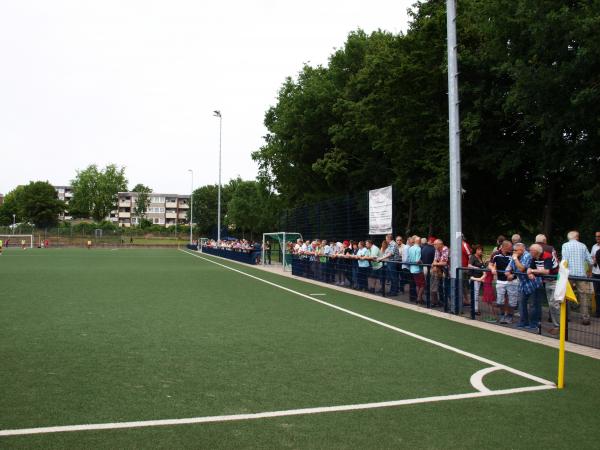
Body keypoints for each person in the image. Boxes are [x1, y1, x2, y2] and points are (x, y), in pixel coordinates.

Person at [561, 231, 593, 325]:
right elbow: (590, 261)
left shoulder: (565, 245)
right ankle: (585, 318)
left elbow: (564, 260)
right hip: (582, 275)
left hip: (569, 274)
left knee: (566, 295)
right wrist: (589, 271)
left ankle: (566, 316)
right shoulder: (583, 246)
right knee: (584, 296)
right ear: (577, 237)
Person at [510, 243, 540, 330]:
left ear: (521, 250)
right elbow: (511, 268)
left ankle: (534, 324)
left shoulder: (527, 256)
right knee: (521, 303)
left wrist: (515, 259)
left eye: (515, 250)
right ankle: (523, 322)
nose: (514, 252)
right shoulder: (515, 257)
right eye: (513, 250)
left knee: (533, 304)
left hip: (533, 283)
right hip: (523, 283)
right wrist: (509, 272)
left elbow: (522, 268)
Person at [526, 244, 556, 332]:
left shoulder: (547, 256)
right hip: (547, 281)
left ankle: (559, 327)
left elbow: (546, 271)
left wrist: (532, 271)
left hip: (555, 281)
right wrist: (530, 272)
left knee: (555, 304)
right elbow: (529, 268)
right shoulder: (534, 257)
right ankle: (557, 326)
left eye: (531, 251)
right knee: (551, 304)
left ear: (536, 252)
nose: (529, 252)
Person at [490, 240, 518, 324]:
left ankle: (509, 315)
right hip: (500, 280)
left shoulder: (513, 254)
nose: (511, 249)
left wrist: (513, 275)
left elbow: (518, 266)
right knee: (500, 301)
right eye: (510, 247)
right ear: (504, 247)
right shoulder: (496, 254)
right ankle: (502, 314)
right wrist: (492, 269)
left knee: (512, 301)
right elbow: (490, 264)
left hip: (512, 280)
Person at [468, 245, 486, 315]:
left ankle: (475, 308)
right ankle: (475, 309)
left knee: (476, 293)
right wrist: (476, 268)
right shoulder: (473, 257)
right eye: (479, 250)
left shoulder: (480, 257)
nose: (480, 251)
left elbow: (482, 266)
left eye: (481, 250)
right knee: (475, 294)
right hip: (474, 277)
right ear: (476, 250)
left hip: (479, 278)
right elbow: (469, 265)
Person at [431, 239, 449, 307]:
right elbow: (435, 260)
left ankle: (447, 304)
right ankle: (441, 301)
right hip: (440, 271)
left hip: (447, 271)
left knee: (446, 287)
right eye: (434, 244)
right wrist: (435, 265)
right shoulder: (437, 249)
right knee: (439, 286)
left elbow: (444, 262)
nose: (434, 245)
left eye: (435, 244)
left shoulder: (445, 249)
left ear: (440, 244)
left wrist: (435, 264)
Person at [407, 235, 424, 303]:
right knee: (422, 284)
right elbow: (417, 260)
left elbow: (409, 259)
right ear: (419, 241)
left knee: (417, 284)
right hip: (418, 269)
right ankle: (419, 298)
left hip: (412, 268)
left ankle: (419, 298)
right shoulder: (418, 248)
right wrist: (422, 262)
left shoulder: (410, 248)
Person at [591, 231, 600, 318]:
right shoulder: (594, 247)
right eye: (596, 236)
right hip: (595, 273)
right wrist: (593, 261)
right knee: (596, 294)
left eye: (599, 236)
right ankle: (597, 312)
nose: (597, 238)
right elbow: (591, 259)